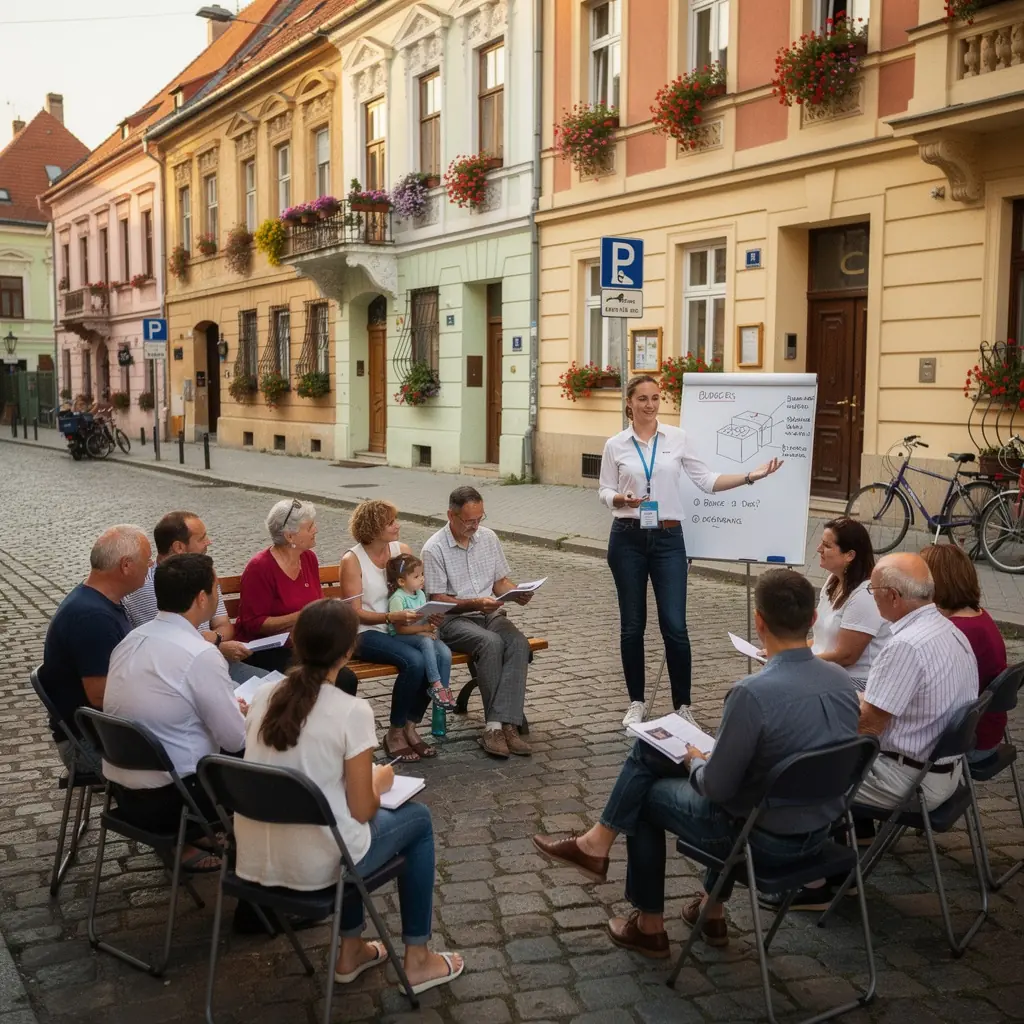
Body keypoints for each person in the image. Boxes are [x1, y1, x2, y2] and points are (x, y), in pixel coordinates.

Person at [532, 570, 859, 951]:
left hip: (761, 840)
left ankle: (648, 923)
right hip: (818, 831)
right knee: (655, 752)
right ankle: (710, 911)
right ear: (813, 621)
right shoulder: (839, 680)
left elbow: (715, 788)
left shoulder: (752, 694)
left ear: (758, 622)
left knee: (645, 795)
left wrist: (695, 761)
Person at [234, 599, 464, 995]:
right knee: (419, 821)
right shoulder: (350, 710)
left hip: (255, 861)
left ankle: (353, 949)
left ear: (293, 641)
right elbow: (362, 809)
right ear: (348, 651)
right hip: (316, 866)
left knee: (340, 821)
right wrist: (380, 779)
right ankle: (418, 959)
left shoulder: (264, 695)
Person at [598, 374, 783, 728]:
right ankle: (636, 701)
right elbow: (604, 489)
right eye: (643, 399)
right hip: (627, 538)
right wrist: (619, 498)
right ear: (629, 403)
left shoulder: (677, 438)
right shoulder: (615, 444)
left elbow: (707, 481)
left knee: (675, 626)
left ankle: (683, 705)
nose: (650, 405)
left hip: (668, 539)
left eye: (655, 398)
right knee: (632, 626)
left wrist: (749, 476)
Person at [103, 554, 246, 871]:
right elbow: (235, 739)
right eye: (216, 588)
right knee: (268, 749)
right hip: (177, 800)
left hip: (123, 794)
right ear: (201, 598)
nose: (218, 595)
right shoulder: (200, 653)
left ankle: (216, 833)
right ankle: (270, 854)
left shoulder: (129, 640)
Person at [856, 552, 978, 812]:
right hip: (944, 772)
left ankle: (794, 847)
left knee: (799, 772)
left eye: (872, 588)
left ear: (892, 596)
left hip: (907, 781)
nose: (872, 595)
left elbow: (868, 728)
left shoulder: (905, 646)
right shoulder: (951, 630)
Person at [421, 486, 534, 760]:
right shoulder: (433, 548)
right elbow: (438, 599)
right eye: (469, 520)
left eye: (479, 518)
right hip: (453, 620)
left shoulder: (488, 538)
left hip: (489, 614)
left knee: (518, 643)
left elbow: (499, 583)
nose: (475, 525)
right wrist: (475, 603)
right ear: (451, 515)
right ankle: (495, 727)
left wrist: (516, 592)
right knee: (491, 643)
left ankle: (507, 724)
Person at [39, 524, 151, 775]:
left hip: (101, 734)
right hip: (90, 745)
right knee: (194, 751)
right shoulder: (92, 617)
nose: (151, 565)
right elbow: (101, 696)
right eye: (147, 559)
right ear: (126, 566)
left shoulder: (98, 601)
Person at [340, 501, 436, 762]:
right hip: (366, 632)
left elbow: (414, 591)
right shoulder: (353, 559)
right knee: (414, 661)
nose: (398, 525)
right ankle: (394, 732)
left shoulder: (401, 551)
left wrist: (424, 612)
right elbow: (354, 612)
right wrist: (389, 616)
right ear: (373, 527)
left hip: (402, 628)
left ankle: (411, 726)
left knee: (436, 654)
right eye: (391, 522)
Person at [123, 510, 266, 684]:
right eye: (201, 538)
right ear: (179, 547)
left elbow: (223, 625)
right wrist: (217, 647)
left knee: (280, 687)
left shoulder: (203, 574)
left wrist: (216, 638)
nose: (209, 542)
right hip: (180, 674)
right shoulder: (146, 586)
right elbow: (171, 648)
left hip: (217, 662)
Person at [920, 544, 1007, 764]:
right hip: (987, 731)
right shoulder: (977, 616)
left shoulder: (956, 631)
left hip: (968, 742)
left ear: (935, 580)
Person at [235, 499, 325, 672]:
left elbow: (318, 602)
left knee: (343, 676)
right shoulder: (260, 567)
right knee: (322, 676)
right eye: (310, 527)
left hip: (302, 644)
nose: (316, 530)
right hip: (266, 649)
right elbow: (253, 623)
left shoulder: (308, 558)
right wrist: (303, 616)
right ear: (290, 536)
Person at [810, 517, 889, 690]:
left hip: (854, 682)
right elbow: (820, 641)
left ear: (850, 555)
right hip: (827, 671)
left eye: (827, 546)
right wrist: (784, 652)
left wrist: (796, 663)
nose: (818, 549)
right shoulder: (834, 580)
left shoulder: (865, 595)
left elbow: (846, 656)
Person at [386, 554, 457, 710]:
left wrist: (433, 620)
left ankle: (443, 690)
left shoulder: (420, 594)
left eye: (422, 574)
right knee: (426, 642)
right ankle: (435, 684)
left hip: (421, 633)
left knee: (445, 651)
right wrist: (423, 630)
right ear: (401, 581)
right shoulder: (398, 599)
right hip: (402, 636)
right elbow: (399, 629)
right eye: (416, 576)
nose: (422, 579)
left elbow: (424, 618)